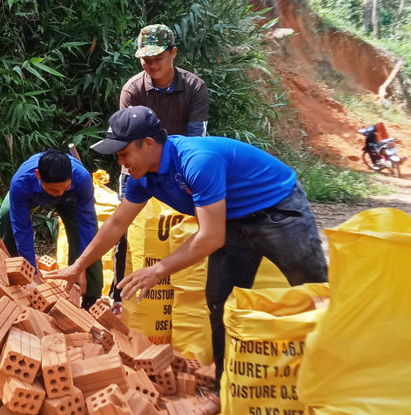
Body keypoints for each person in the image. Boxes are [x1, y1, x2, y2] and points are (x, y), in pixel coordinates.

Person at [48, 106, 328, 396]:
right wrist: (78, 266)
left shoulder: (197, 161)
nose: (121, 163)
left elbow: (210, 237)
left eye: (124, 153)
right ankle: (225, 392)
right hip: (232, 221)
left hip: (277, 208)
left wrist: (158, 270)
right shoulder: (142, 177)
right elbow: (117, 223)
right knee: (221, 303)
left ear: (148, 144)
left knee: (314, 291)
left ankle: (333, 381)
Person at [111, 24, 211, 310]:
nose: (152, 65)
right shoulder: (133, 89)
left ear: (173, 53)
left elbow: (197, 139)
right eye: (146, 59)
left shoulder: (194, 87)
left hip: (181, 167)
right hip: (138, 168)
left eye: (158, 58)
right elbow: (126, 139)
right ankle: (118, 294)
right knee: (124, 227)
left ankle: (193, 295)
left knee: (196, 224)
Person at [0, 150, 104, 309]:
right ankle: (8, 275)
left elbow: (87, 224)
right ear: (38, 175)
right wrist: (32, 275)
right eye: (53, 190)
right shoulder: (21, 182)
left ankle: (89, 297)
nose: (58, 194)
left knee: (88, 238)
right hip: (32, 195)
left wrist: (82, 266)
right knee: (7, 216)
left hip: (71, 199)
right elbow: (22, 229)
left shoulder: (81, 178)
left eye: (64, 187)